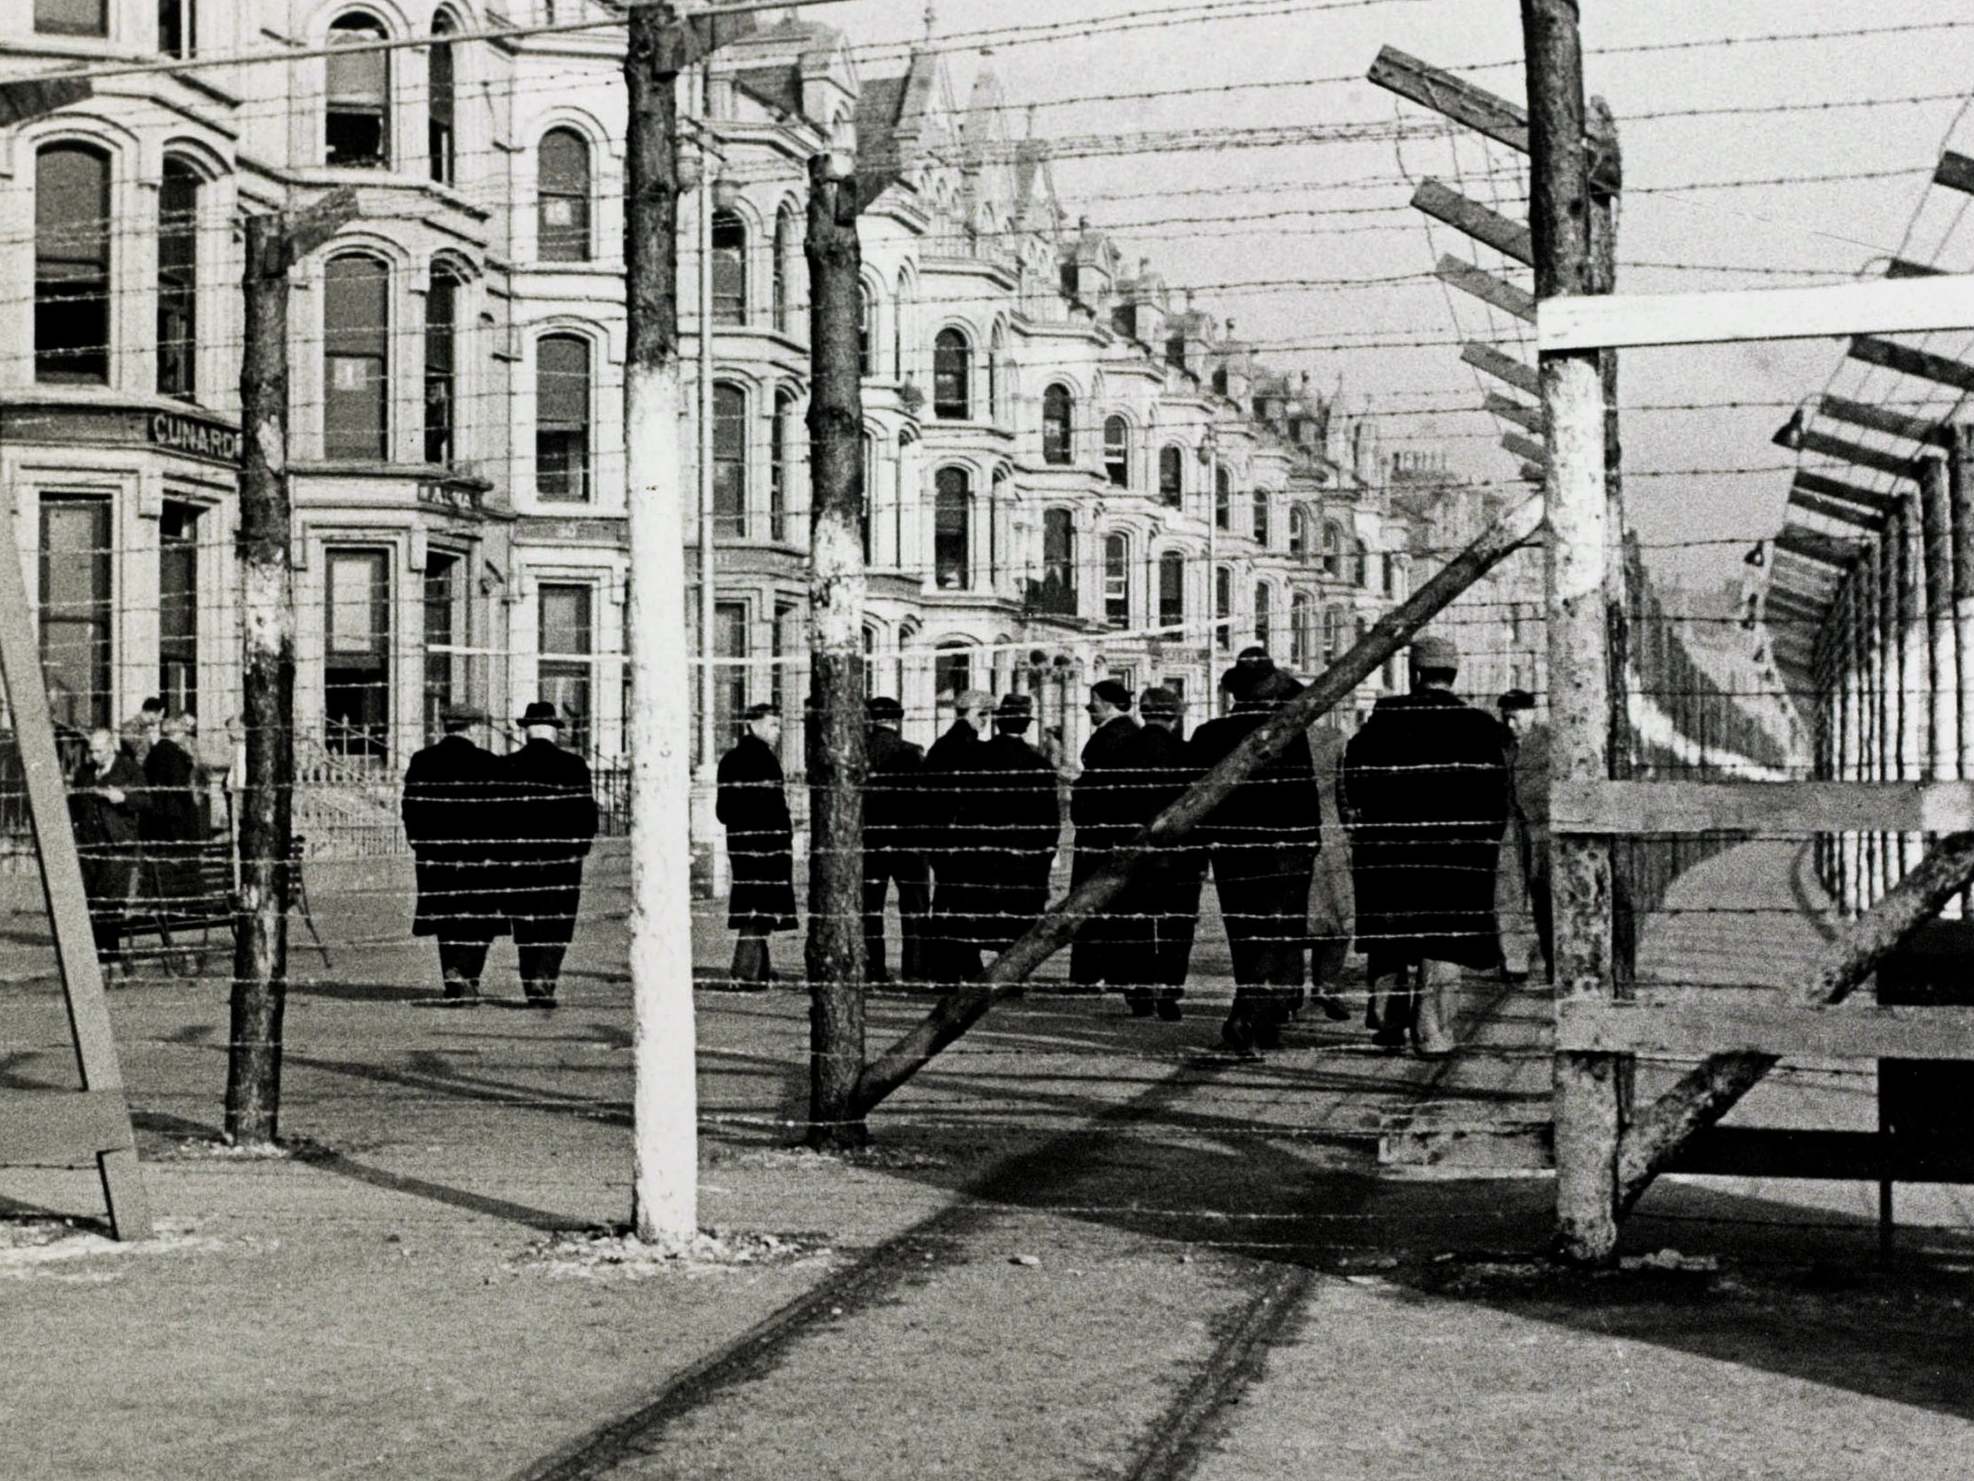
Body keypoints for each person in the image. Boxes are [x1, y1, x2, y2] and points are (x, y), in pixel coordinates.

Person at [1339, 634, 1511, 1056]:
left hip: (1390, 850)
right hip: (1454, 855)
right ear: (1454, 674)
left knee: (1390, 934)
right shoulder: (1479, 727)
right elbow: (1496, 799)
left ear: (1414, 674)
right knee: (1443, 941)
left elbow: (1354, 780)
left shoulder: (1382, 722)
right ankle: (1432, 1032)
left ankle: (1387, 1020)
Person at [1191, 661, 1322, 1053]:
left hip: (1232, 850)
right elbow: (1304, 792)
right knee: (1278, 933)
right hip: (1285, 849)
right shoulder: (1287, 736)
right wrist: (1310, 839)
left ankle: (1255, 1013)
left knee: (1244, 932)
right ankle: (1251, 1013)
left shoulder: (1209, 733)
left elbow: (1196, 796)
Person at [1108, 686, 1203, 1020]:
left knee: (1136, 921)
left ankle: (1139, 989)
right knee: (1176, 924)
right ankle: (1168, 990)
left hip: (1133, 850)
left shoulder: (1121, 751)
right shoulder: (1188, 754)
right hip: (1180, 853)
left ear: (1144, 713)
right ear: (1174, 715)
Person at [402, 704, 508, 1003]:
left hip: (437, 854)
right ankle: (470, 975)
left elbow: (410, 805)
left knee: (447, 916)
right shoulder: (489, 763)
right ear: (472, 728)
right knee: (479, 917)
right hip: (480, 856)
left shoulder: (423, 761)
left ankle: (453, 974)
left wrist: (419, 841)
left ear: (445, 726)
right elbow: (503, 813)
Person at [502, 701, 599, 1007]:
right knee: (557, 922)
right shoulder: (574, 766)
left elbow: (497, 816)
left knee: (527, 922)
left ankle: (531, 983)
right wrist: (579, 848)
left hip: (520, 859)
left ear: (527, 731)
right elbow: (588, 815)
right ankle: (546, 977)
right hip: (562, 860)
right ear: (554, 731)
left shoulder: (507, 765)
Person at [958, 693, 1062, 966]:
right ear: (1026, 725)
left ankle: (971, 965)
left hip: (983, 851)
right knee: (1019, 915)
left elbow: (964, 806)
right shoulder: (1038, 764)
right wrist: (1046, 854)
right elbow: (1050, 820)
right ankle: (1013, 971)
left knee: (978, 909)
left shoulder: (975, 757)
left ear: (998, 722)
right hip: (1024, 854)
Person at [716, 703, 797, 987]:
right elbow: (774, 807)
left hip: (741, 843)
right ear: (753, 724)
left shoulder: (729, 760)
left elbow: (722, 811)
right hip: (768, 844)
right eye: (773, 725)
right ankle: (745, 972)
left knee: (754, 903)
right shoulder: (765, 760)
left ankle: (760, 969)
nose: (777, 731)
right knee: (760, 908)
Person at [1067, 680, 1140, 991]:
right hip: (1113, 833)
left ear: (1108, 704)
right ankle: (1115, 971)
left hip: (1100, 834)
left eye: (1093, 701)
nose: (1088, 707)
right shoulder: (1127, 733)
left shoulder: (1113, 736)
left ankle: (1089, 971)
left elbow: (1101, 787)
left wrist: (1078, 785)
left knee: (1093, 902)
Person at [919, 689, 995, 985]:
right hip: (966, 836)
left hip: (942, 836)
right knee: (964, 901)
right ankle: (962, 963)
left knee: (947, 899)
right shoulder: (971, 748)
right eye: (985, 715)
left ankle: (944, 966)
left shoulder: (941, 746)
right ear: (977, 714)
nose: (987, 722)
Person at [69, 728, 149, 984]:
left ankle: (110, 958)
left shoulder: (128, 770)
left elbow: (147, 801)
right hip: (90, 846)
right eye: (91, 751)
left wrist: (123, 797)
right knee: (93, 902)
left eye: (99, 751)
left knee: (110, 903)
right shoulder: (84, 774)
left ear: (111, 747)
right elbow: (75, 806)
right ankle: (103, 960)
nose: (94, 756)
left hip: (118, 845)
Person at [862, 696, 928, 984]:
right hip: (908, 840)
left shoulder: (858, 754)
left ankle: (873, 967)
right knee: (914, 905)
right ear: (898, 720)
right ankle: (915, 968)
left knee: (870, 907)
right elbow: (923, 799)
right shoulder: (911, 753)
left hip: (870, 840)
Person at [138, 712, 205, 960]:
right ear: (176, 733)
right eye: (183, 732)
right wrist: (191, 804)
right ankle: (182, 902)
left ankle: (169, 900)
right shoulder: (173, 755)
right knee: (179, 859)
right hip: (176, 819)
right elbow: (180, 787)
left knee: (162, 864)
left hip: (157, 819)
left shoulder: (155, 754)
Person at [1498, 688, 1553, 984]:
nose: (1510, 726)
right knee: (1507, 895)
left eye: (1515, 718)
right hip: (1509, 827)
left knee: (1546, 896)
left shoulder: (1550, 742)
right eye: (1505, 718)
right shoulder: (1498, 744)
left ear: (1531, 714)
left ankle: (1554, 960)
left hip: (1544, 828)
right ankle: (1514, 963)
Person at [120, 695, 164, 768]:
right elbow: (141, 755)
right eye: (160, 715)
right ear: (152, 713)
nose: (161, 719)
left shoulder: (143, 729)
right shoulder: (130, 728)